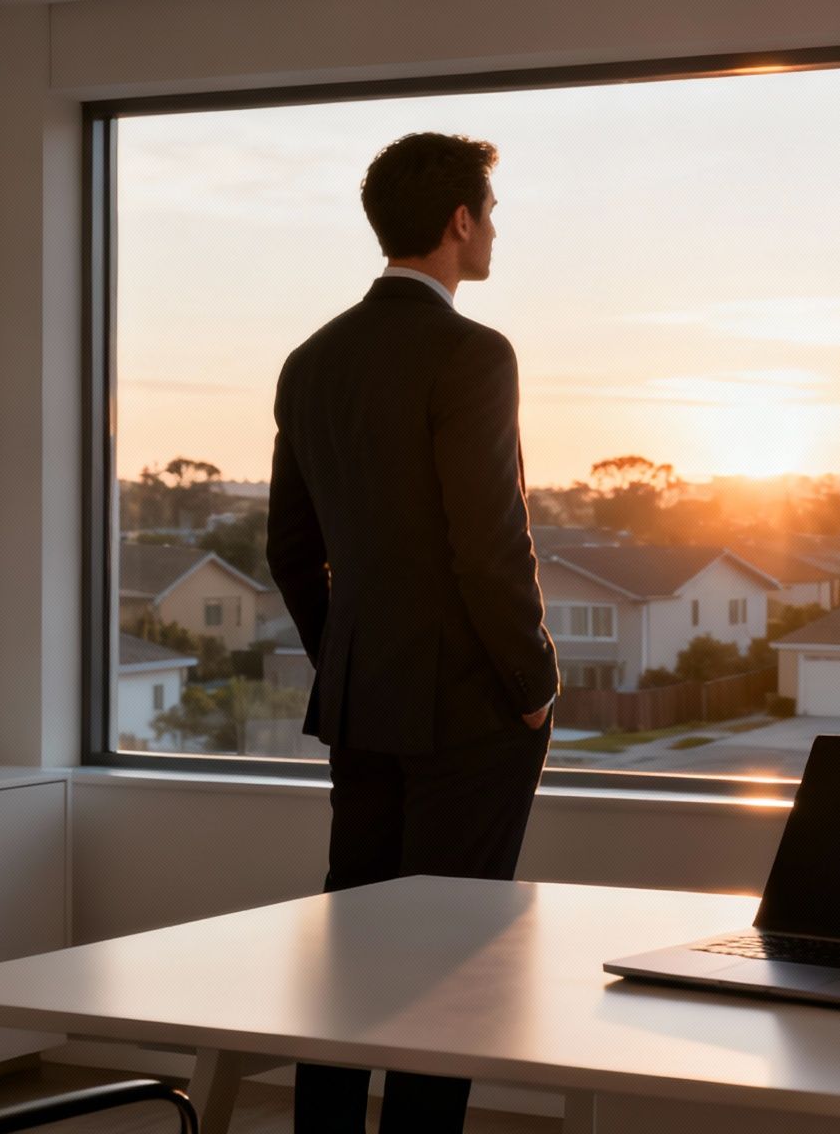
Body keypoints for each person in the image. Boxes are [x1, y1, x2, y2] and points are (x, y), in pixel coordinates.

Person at [266, 131, 559, 1134]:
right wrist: (534, 680)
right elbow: (490, 542)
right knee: (451, 959)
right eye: (490, 215)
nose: (493, 234)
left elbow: (288, 551)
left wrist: (342, 653)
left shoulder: (311, 360)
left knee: (352, 952)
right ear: (458, 223)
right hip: (471, 706)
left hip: (361, 697)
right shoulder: (473, 353)